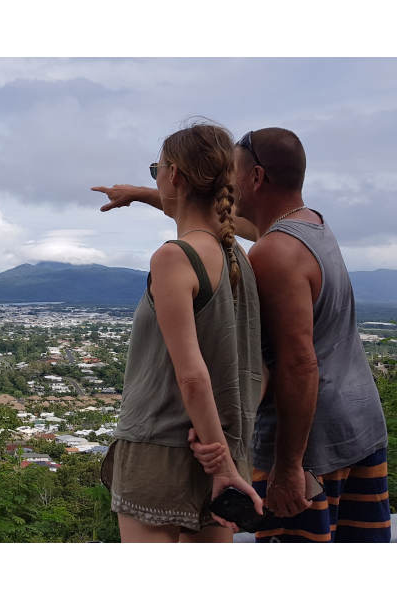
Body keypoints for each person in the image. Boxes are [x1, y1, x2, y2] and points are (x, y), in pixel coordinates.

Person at [95, 127, 390, 543]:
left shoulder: (264, 253)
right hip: (344, 430)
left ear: (253, 178)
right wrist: (145, 193)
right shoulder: (293, 234)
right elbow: (206, 215)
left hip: (281, 448)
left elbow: (294, 363)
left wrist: (277, 466)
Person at [98, 123, 265, 542]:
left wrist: (220, 462)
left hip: (161, 445)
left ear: (174, 175)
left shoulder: (174, 258)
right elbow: (256, 364)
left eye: (157, 169)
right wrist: (223, 453)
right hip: (220, 441)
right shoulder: (237, 256)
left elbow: (191, 374)